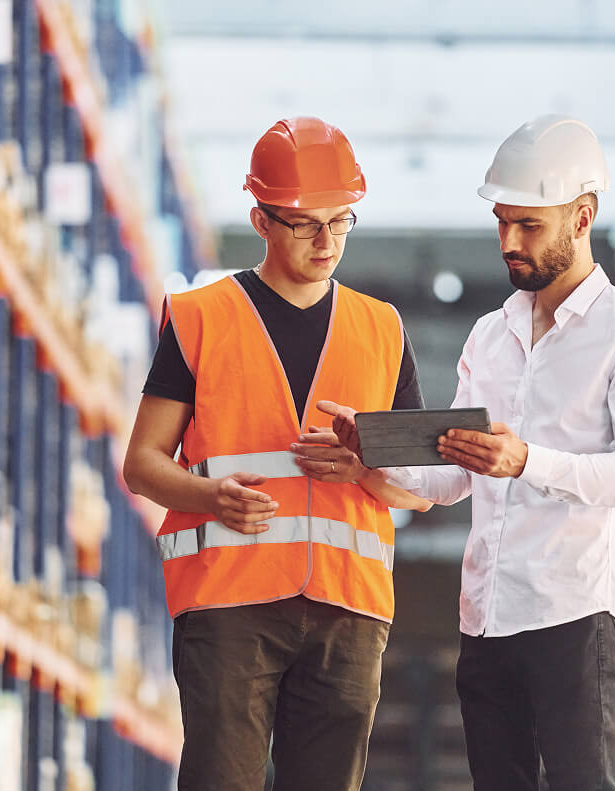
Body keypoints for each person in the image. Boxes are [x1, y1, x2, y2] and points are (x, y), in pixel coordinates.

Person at [323, 115, 615, 790]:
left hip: (577, 619)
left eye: (529, 225)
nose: (509, 242)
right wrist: (372, 456)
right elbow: (451, 481)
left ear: (583, 217)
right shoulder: (490, 336)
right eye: (501, 222)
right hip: (486, 620)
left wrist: (527, 460)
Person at [122, 116, 430, 791]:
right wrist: (210, 496)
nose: (327, 242)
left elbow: (418, 488)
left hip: (349, 611)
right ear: (261, 220)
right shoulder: (202, 317)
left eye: (341, 221)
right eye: (304, 223)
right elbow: (141, 462)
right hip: (230, 604)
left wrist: (366, 470)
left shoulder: (382, 329)